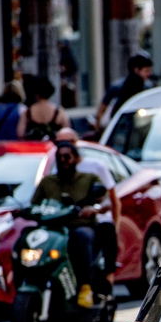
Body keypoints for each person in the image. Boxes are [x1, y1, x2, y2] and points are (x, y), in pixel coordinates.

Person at [31, 140, 99, 308]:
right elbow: (34, 205)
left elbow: (106, 202)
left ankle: (85, 287)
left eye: (67, 156)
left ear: (76, 159)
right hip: (52, 228)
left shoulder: (89, 178)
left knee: (81, 237)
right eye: (59, 157)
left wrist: (94, 209)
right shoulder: (47, 181)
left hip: (79, 226)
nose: (63, 160)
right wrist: (21, 210)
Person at [53, 128, 121, 285]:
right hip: (63, 221)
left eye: (68, 142)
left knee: (103, 230)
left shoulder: (94, 168)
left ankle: (97, 281)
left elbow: (112, 200)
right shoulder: (56, 168)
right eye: (58, 143)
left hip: (92, 220)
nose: (63, 147)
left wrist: (100, 213)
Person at [96, 52, 154, 133]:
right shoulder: (117, 88)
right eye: (146, 71)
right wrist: (100, 130)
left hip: (143, 128)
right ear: (136, 70)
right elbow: (102, 110)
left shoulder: (148, 88)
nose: (149, 74)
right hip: (120, 129)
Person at [24, 75, 71, 141]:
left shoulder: (28, 112)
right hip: (54, 149)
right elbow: (67, 132)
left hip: (33, 149)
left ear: (36, 93)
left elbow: (20, 133)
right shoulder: (58, 111)